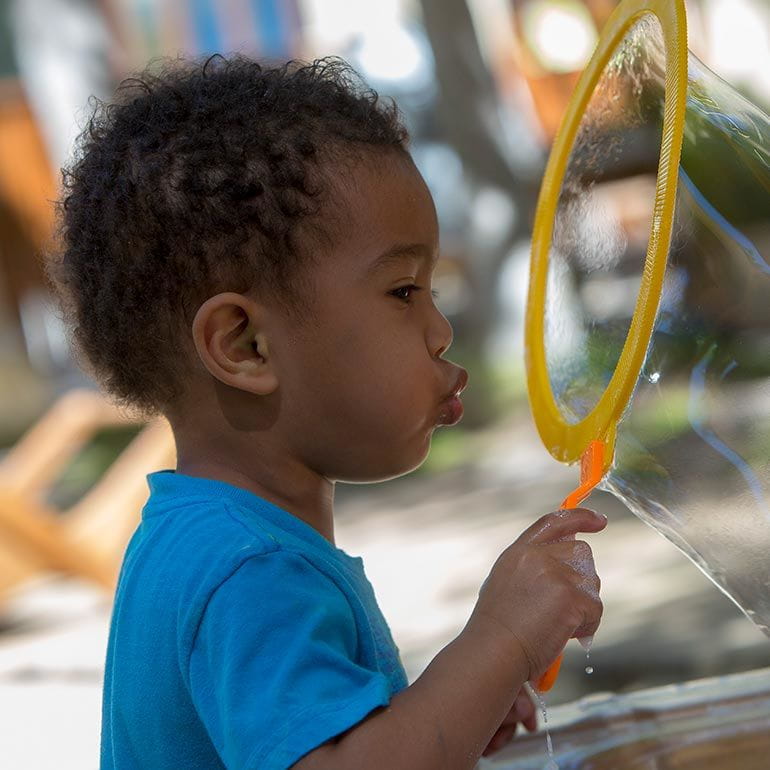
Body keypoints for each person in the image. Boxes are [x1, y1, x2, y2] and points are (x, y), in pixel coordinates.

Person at [48, 54, 605, 769]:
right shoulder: (251, 569)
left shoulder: (204, 539)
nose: (440, 330)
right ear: (245, 345)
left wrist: (457, 709)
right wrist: (499, 642)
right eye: (404, 291)